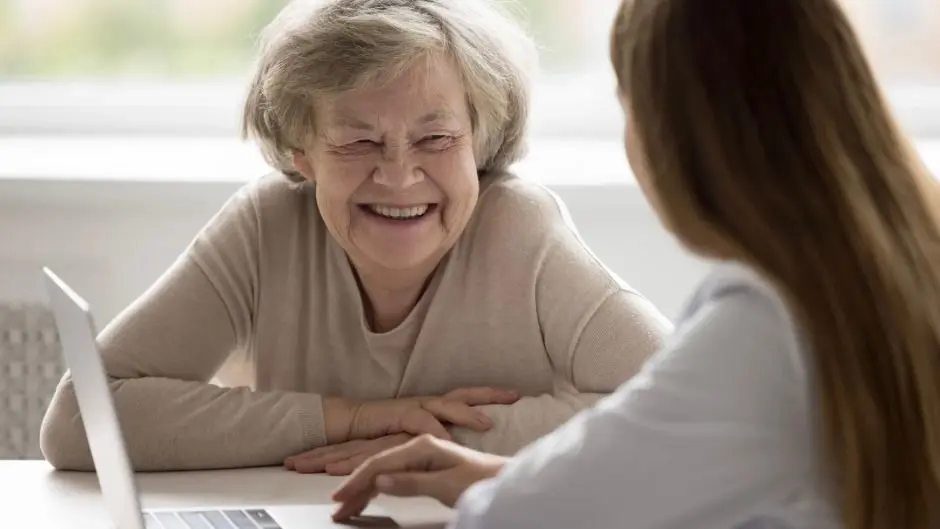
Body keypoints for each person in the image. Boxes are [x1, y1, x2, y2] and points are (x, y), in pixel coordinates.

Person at [330, 0, 940, 528]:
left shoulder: (766, 325)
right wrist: (506, 475)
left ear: (675, 132)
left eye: (628, 106)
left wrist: (510, 488)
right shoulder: (899, 262)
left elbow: (521, 519)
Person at [38, 0, 671, 473]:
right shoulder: (266, 227)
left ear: (480, 141)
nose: (399, 174)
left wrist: (442, 442)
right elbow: (75, 424)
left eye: (436, 138)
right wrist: (350, 421)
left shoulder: (519, 229)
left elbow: (686, 402)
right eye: (357, 141)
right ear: (300, 152)